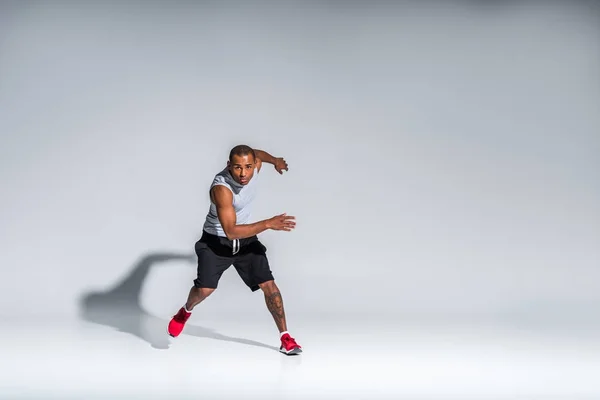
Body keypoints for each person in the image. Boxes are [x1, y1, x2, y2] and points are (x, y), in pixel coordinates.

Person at [167, 144, 302, 355]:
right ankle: (185, 311)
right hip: (216, 242)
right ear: (228, 165)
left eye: (248, 167)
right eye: (238, 167)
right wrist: (267, 223)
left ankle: (286, 337)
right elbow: (230, 231)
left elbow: (259, 155)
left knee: (270, 287)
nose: (243, 173)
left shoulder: (254, 164)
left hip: (246, 241)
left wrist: (275, 160)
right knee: (205, 290)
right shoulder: (221, 189)